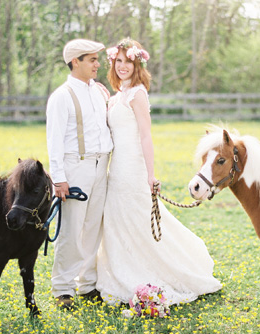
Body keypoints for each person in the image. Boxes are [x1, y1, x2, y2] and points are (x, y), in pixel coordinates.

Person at [96, 38, 221, 307]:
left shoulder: (138, 94)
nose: (122, 67)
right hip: (115, 168)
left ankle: (165, 269)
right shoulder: (117, 96)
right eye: (118, 61)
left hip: (133, 167)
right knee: (118, 219)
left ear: (137, 64)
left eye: (128, 62)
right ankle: (122, 269)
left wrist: (151, 175)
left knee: (139, 218)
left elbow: (145, 136)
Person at [46, 39, 113, 308]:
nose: (98, 64)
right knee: (72, 229)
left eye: (98, 59)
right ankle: (63, 288)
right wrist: (59, 178)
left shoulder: (98, 91)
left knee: (93, 227)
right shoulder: (61, 96)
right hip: (76, 166)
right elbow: (55, 140)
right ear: (76, 62)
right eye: (92, 60)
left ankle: (87, 284)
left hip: (101, 165)